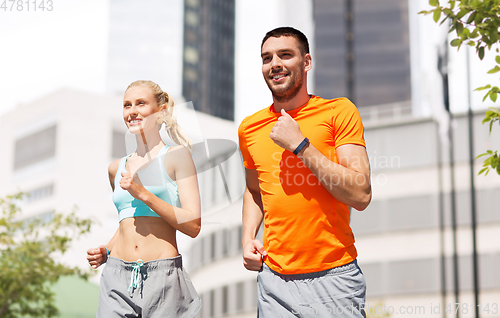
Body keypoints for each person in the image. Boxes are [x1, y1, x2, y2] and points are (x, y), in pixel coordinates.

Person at [238, 27, 372, 317]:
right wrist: (248, 237)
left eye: (285, 55)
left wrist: (300, 145)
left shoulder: (339, 111)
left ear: (306, 62)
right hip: (273, 281)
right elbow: (254, 189)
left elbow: (361, 193)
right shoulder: (249, 128)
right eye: (267, 58)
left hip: (334, 280)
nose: (274, 63)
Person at [86, 80, 201, 318]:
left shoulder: (177, 156)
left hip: (163, 279)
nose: (132, 111)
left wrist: (143, 193)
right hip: (116, 277)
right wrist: (106, 250)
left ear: (161, 110)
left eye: (141, 103)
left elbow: (192, 225)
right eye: (127, 105)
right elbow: (128, 220)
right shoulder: (115, 168)